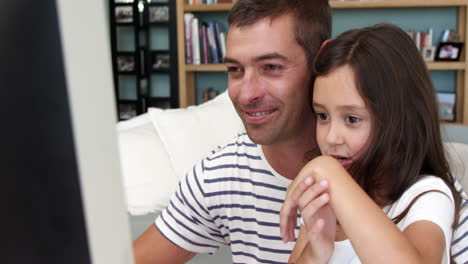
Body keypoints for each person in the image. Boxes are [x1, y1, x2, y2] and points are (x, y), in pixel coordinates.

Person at [133, 0, 331, 263]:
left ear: (322, 60)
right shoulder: (219, 176)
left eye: (271, 67)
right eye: (235, 70)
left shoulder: (384, 168)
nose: (246, 94)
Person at [280, 24, 463, 264]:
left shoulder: (426, 195)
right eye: (322, 116)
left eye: (352, 119)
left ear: (399, 121)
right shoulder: (326, 195)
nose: (331, 137)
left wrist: (329, 171)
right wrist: (315, 254)